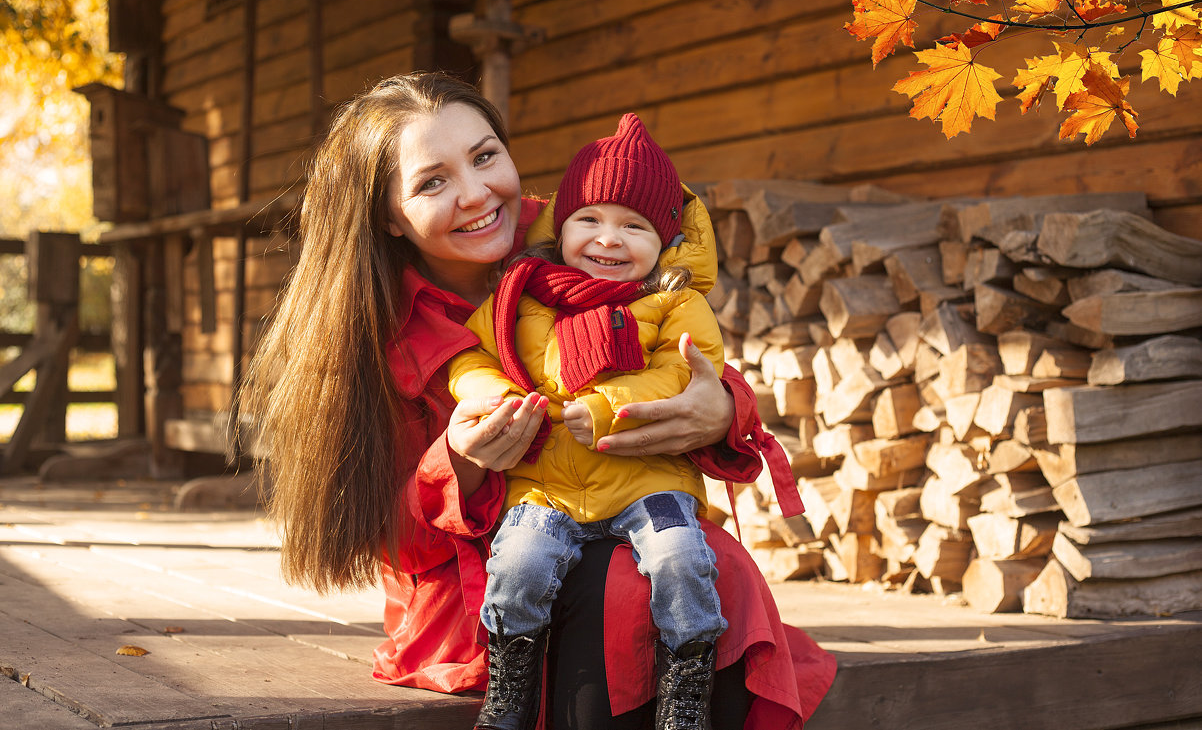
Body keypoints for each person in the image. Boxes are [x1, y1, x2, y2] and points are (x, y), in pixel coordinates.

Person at [240, 72, 836, 730]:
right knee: (612, 580)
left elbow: (678, 333)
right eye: (431, 182)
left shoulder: (584, 229)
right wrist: (459, 462)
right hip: (475, 589)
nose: (475, 193)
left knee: (706, 562)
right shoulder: (370, 328)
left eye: (485, 155)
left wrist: (722, 408)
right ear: (388, 214)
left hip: (616, 503)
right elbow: (391, 542)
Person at [449, 113, 802, 730]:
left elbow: (686, 371)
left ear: (663, 241)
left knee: (680, 557)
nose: (608, 240)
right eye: (590, 220)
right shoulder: (523, 294)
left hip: (648, 480)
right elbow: (474, 353)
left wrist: (609, 405)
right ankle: (511, 687)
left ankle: (686, 684)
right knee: (520, 565)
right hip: (550, 485)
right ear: (561, 229)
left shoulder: (672, 302)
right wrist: (490, 392)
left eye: (632, 226)